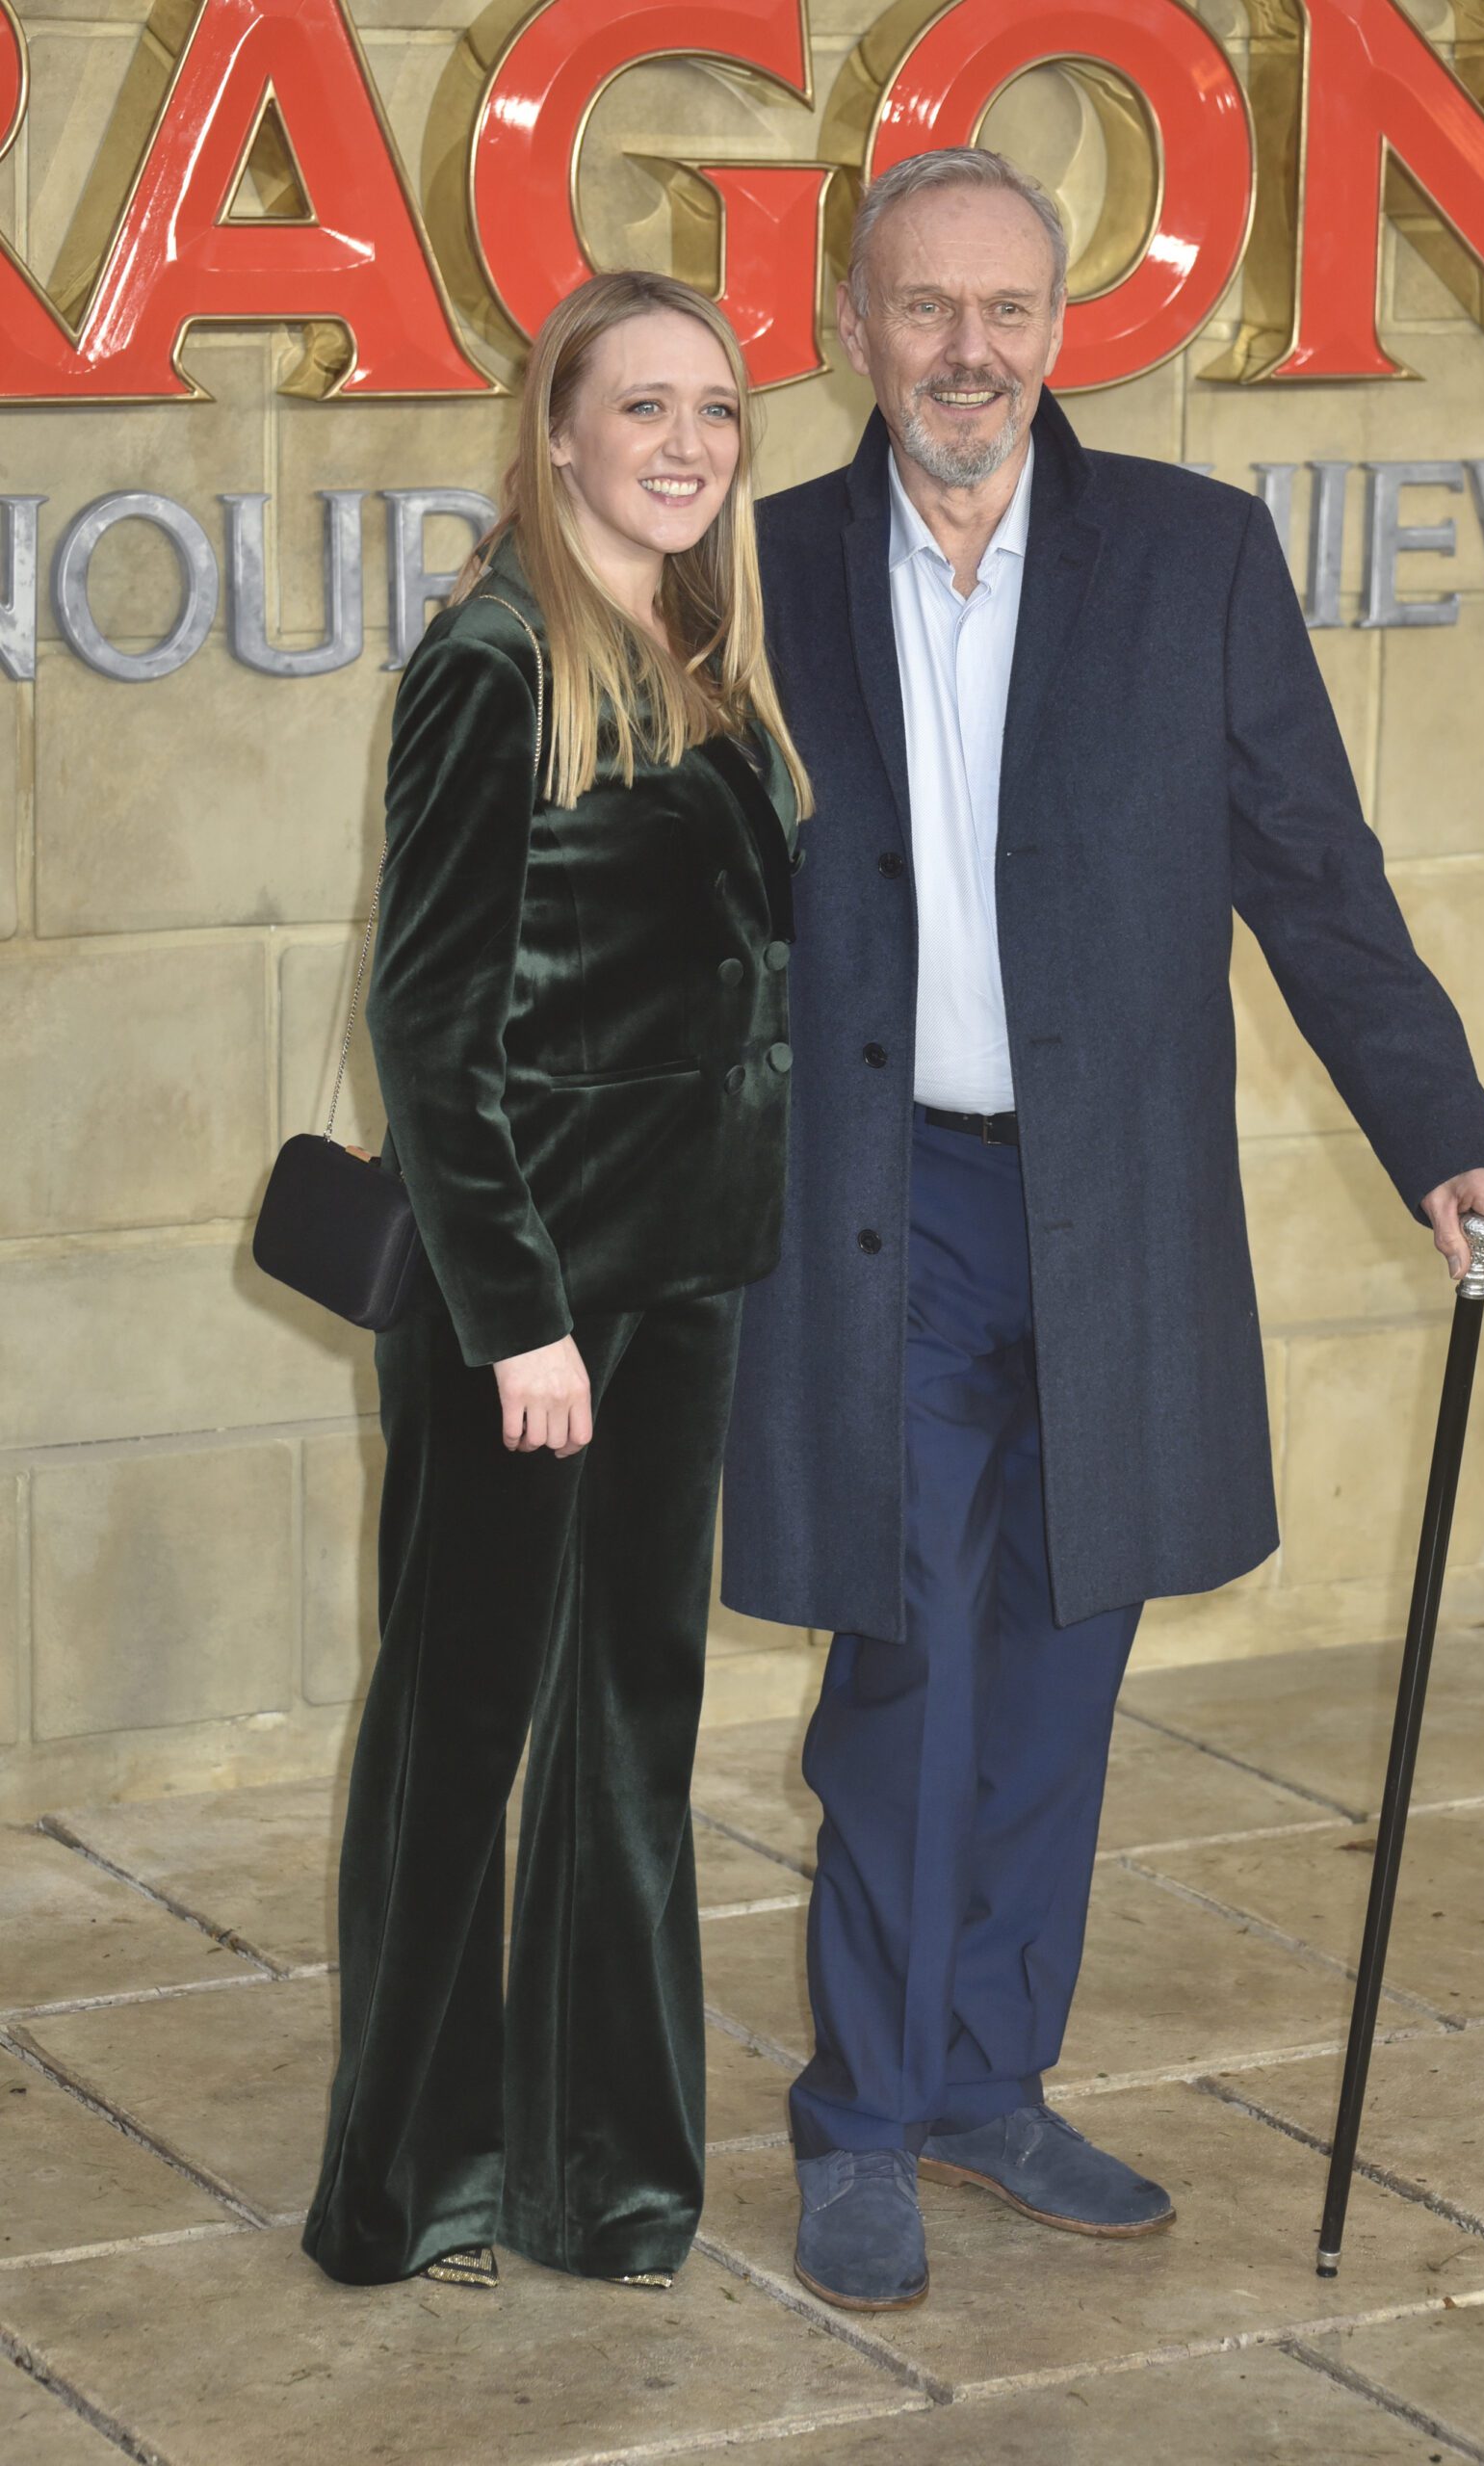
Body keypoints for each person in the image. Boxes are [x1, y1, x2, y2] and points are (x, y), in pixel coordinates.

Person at [718, 147, 1484, 2313]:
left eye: (1003, 309)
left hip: (1106, 1202)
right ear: (850, 327)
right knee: (908, 1660)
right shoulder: (762, 561)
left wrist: (1437, 1125)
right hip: (874, 1205)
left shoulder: (1192, 554)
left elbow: (1311, 866)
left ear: (1058, 330)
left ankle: (992, 2076)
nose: (966, 351)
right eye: (922, 309)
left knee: (1069, 1651)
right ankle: (863, 2116)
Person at [302, 269, 811, 2295]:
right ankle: (403, 2176)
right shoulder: (496, 660)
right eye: (643, 408)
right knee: (465, 1715)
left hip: (680, 1281)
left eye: (715, 409)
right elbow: (428, 1023)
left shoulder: (699, 639)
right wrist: (519, 1317)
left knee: (631, 1726)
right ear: (562, 430)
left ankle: (602, 2173)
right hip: (528, 1308)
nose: (684, 443)